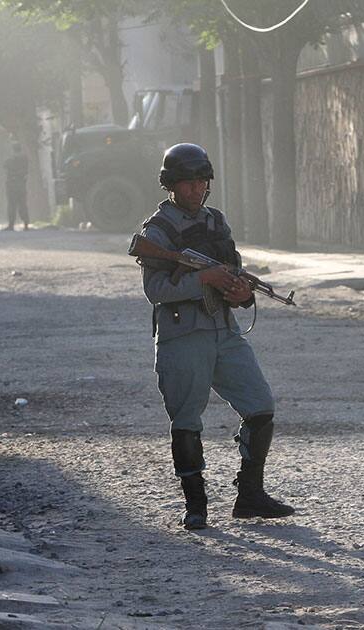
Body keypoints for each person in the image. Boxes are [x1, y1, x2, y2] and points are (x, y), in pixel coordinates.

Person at [137, 143, 294, 530]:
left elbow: (232, 269)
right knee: (187, 418)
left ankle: (250, 496)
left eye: (201, 182)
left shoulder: (215, 222)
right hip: (183, 334)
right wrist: (201, 278)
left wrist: (240, 294)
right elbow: (156, 290)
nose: (195, 190)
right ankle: (196, 505)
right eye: (187, 183)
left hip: (224, 330)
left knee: (260, 405)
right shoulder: (158, 231)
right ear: (171, 185)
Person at [3, 142, 29, 231]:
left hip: (11, 185)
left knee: (11, 205)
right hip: (21, 185)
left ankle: (11, 225)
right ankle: (26, 224)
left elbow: (5, 167)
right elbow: (27, 171)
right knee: (23, 205)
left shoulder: (10, 160)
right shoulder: (25, 160)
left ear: (13, 149)